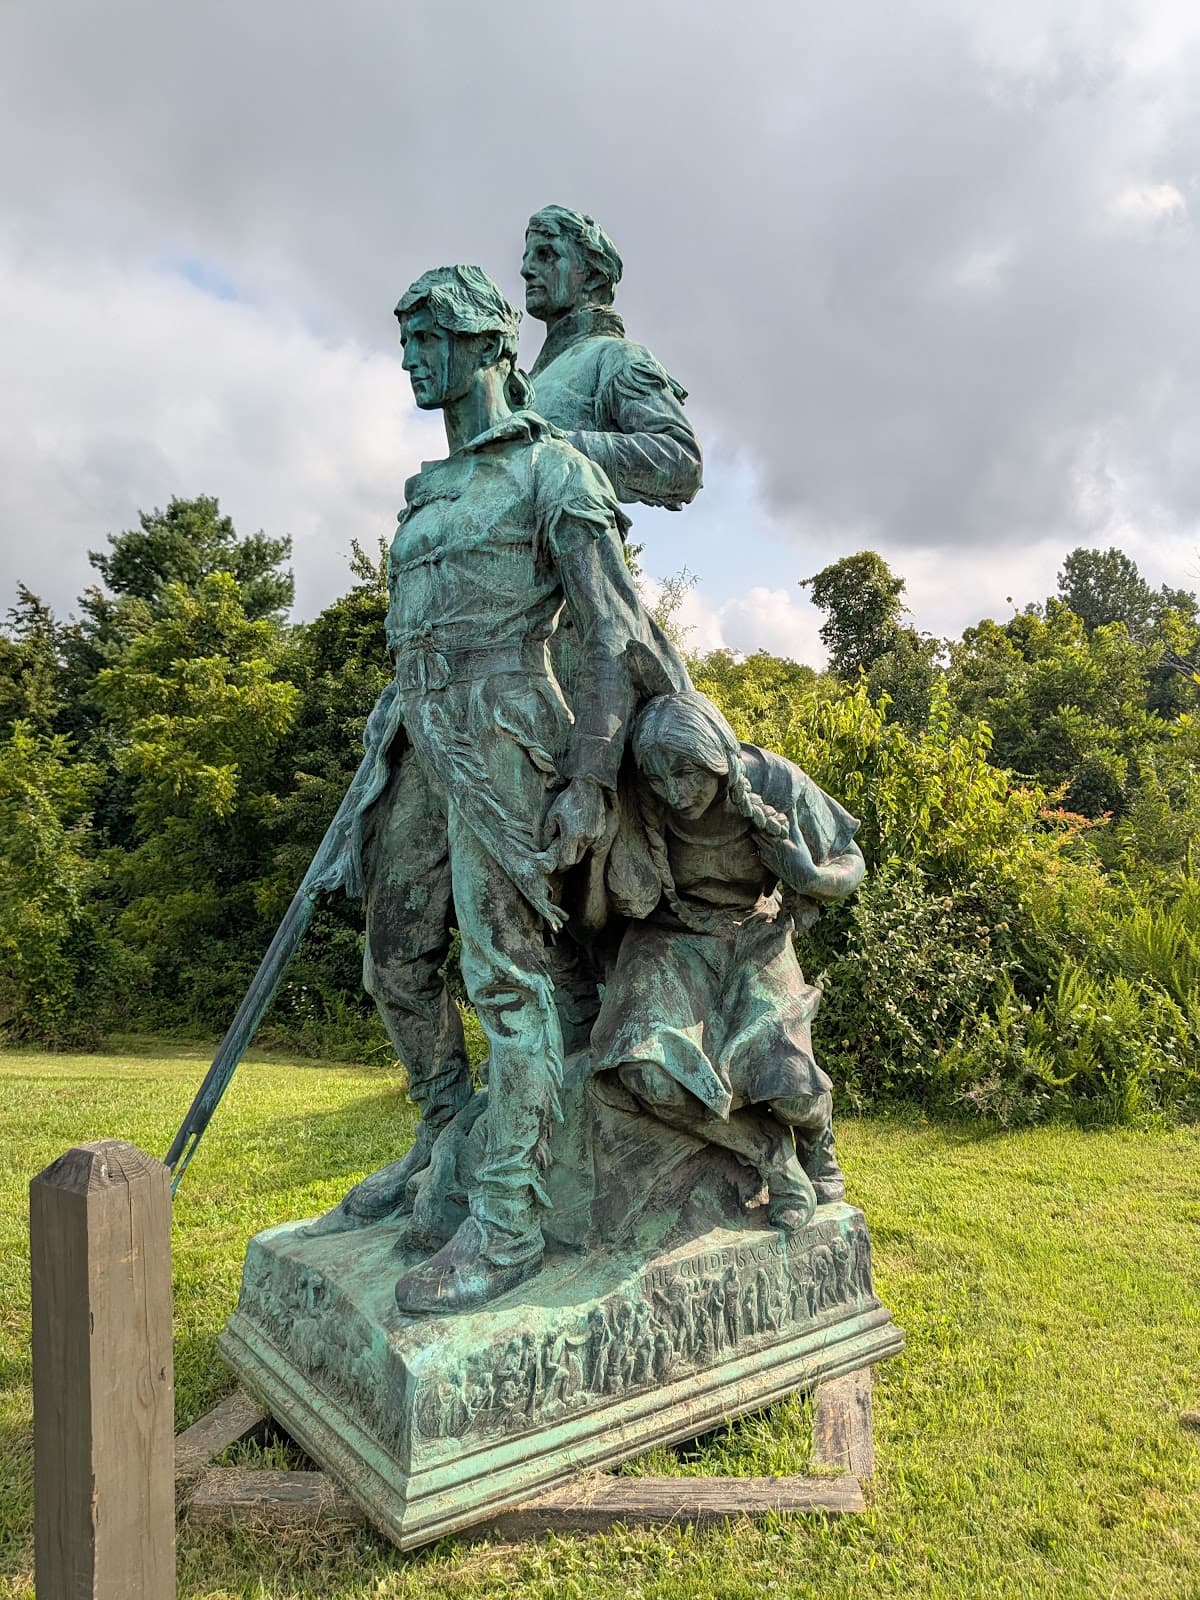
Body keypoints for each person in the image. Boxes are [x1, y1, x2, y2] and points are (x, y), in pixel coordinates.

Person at [309, 264, 683, 1313]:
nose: (408, 355)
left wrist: (590, 779)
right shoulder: (429, 492)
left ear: (484, 343)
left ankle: (508, 1222)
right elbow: (411, 640)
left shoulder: (552, 471)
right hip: (418, 740)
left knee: (511, 982)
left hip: (511, 735)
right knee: (393, 959)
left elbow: (611, 633)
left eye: (427, 333)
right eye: (406, 335)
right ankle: (443, 1137)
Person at [590, 691, 865, 1231]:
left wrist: (809, 877)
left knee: (789, 1087)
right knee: (650, 1075)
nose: (674, 792)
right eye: (658, 778)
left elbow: (849, 859)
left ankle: (815, 1135)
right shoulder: (640, 801)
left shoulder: (772, 782)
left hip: (754, 933)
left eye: (688, 773)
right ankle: (770, 1157)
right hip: (669, 939)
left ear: (718, 757)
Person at [522, 205, 703, 511]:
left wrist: (559, 448)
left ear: (591, 277)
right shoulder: (529, 380)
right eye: (527, 257)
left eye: (546, 255)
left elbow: (682, 463)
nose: (526, 269)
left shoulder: (616, 356)